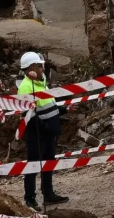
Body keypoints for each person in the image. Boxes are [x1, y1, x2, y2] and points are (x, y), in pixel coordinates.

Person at [17, 51, 70, 209]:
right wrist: (46, 128)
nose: (43, 68)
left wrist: (64, 109)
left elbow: (49, 106)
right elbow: (29, 117)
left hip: (49, 132)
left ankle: (48, 194)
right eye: (40, 66)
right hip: (38, 134)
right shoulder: (26, 88)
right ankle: (30, 199)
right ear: (32, 68)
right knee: (33, 166)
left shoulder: (42, 84)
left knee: (48, 164)